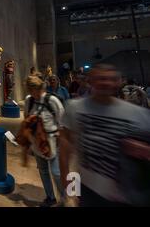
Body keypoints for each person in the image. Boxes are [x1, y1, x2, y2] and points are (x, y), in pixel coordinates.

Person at [59, 64, 150, 206]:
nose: (106, 82)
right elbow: (66, 149)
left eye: (111, 79)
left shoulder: (137, 115)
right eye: (100, 78)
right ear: (91, 80)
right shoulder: (74, 108)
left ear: (119, 82)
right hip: (88, 192)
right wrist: (69, 187)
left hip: (124, 196)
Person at [23, 76, 65, 207]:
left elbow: (62, 121)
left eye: (34, 90)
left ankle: (64, 198)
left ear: (41, 88)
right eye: (30, 90)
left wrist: (61, 140)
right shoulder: (29, 101)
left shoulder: (52, 100)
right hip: (37, 142)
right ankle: (50, 197)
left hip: (52, 142)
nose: (33, 93)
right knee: (43, 170)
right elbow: (26, 118)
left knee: (56, 172)